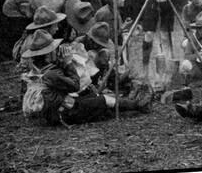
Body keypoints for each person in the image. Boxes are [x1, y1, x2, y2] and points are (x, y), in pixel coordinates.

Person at [21, 29, 152, 127]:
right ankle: (138, 105)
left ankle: (130, 104)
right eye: (53, 50)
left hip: (55, 111)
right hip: (65, 113)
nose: (57, 51)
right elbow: (75, 85)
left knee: (95, 100)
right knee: (105, 100)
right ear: (48, 55)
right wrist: (67, 63)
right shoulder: (52, 74)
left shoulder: (37, 70)